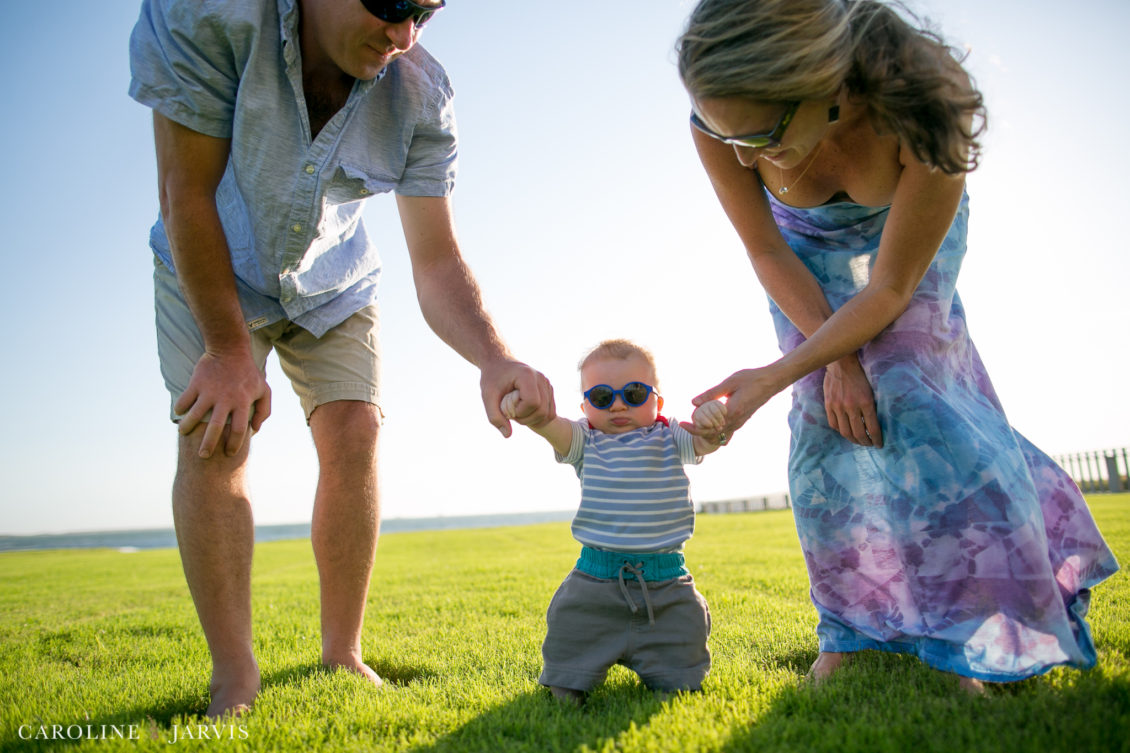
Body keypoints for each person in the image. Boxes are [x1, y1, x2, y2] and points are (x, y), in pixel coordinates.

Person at [676, 0, 1119, 692]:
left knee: (912, 389)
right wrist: (831, 363)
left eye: (761, 133)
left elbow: (888, 291)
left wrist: (773, 374)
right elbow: (764, 247)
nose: (741, 153)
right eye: (722, 132)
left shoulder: (925, 106)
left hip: (899, 251)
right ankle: (846, 633)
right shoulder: (722, 121)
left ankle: (967, 630)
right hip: (800, 255)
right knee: (822, 415)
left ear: (821, 82)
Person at [128, 0, 555, 718]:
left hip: (334, 276)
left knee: (356, 432)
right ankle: (235, 674)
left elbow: (438, 260)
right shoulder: (207, 14)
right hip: (207, 260)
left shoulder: (422, 93)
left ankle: (342, 649)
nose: (404, 34)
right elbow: (185, 191)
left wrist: (494, 356)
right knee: (217, 437)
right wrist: (231, 350)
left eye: (426, 10)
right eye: (392, 4)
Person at [502, 339, 727, 702]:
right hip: (594, 584)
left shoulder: (670, 435)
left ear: (658, 401)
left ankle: (670, 670)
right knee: (566, 672)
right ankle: (571, 685)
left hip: (667, 586)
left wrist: (712, 419)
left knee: (682, 682)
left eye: (635, 393)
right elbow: (548, 424)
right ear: (586, 406)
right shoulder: (585, 440)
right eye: (602, 397)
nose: (618, 404)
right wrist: (530, 414)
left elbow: (706, 441)